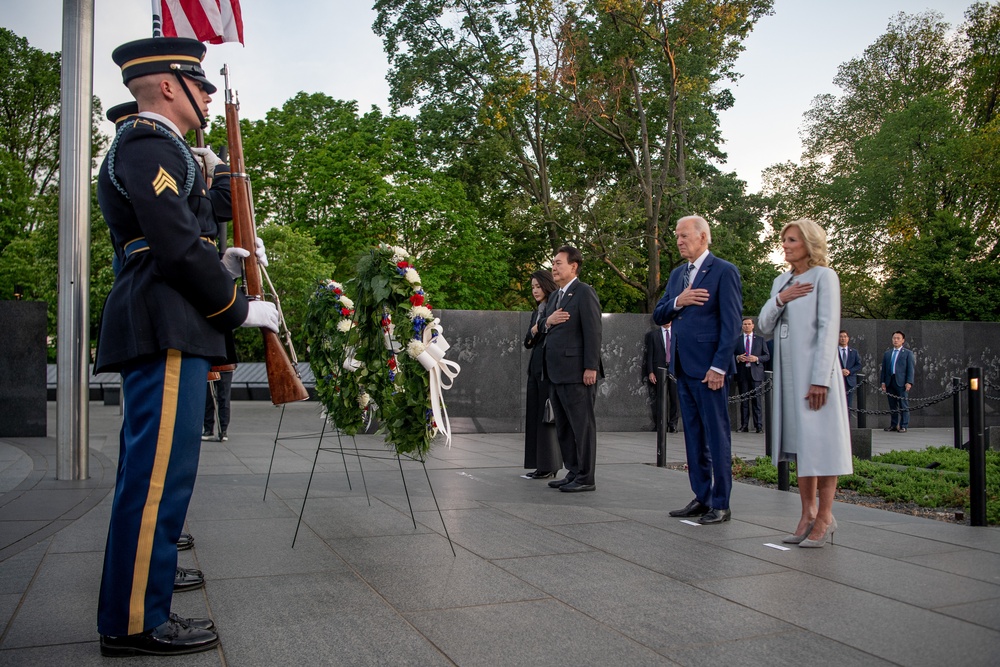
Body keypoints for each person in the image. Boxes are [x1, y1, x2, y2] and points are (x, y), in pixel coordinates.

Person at [95, 37, 280, 657]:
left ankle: (144, 589)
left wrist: (217, 259)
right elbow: (173, 245)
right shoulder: (148, 142)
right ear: (170, 86)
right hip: (165, 320)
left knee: (159, 475)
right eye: (197, 85)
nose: (205, 95)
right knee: (155, 481)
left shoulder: (158, 146)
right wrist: (235, 304)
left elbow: (179, 239)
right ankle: (134, 621)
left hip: (167, 317)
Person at [757, 218, 853, 548]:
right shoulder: (780, 281)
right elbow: (764, 327)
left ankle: (825, 516)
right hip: (789, 376)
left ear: (809, 244)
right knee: (801, 446)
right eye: (784, 239)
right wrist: (782, 298)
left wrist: (821, 380)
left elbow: (829, 329)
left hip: (816, 377)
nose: (785, 245)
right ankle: (807, 514)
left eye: (792, 240)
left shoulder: (825, 277)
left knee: (822, 446)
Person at [654, 215, 743, 524]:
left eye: (684, 236)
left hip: (710, 371)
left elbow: (732, 326)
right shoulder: (678, 274)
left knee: (716, 436)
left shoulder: (724, 271)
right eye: (677, 236)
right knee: (692, 436)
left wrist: (719, 366)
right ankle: (702, 496)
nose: (678, 240)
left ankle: (721, 503)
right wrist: (680, 299)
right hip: (682, 366)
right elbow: (659, 313)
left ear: (703, 237)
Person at [542, 246, 603, 493]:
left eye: (558, 263)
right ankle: (574, 471)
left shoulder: (584, 292)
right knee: (565, 427)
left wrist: (590, 367)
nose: (554, 268)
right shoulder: (556, 296)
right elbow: (546, 329)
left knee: (582, 426)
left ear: (573, 266)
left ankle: (587, 477)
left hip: (578, 373)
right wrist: (547, 322)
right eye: (553, 263)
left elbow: (593, 331)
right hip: (556, 373)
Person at [522, 270, 563, 479]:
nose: (535, 291)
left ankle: (549, 465)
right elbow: (527, 341)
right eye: (532, 287)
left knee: (548, 418)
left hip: (549, 371)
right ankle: (539, 463)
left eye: (538, 286)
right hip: (535, 370)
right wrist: (537, 328)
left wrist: (541, 327)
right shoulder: (537, 312)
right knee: (535, 416)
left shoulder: (556, 308)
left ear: (547, 285)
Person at [734, 317, 769, 433]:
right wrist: (738, 358)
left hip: (756, 373)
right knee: (744, 400)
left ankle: (758, 425)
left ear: (753, 326)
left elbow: (767, 356)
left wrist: (757, 358)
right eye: (744, 324)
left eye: (749, 324)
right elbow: (731, 355)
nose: (747, 326)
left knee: (757, 401)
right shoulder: (737, 340)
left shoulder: (760, 340)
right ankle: (744, 425)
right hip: (742, 372)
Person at [643, 321, 678, 433]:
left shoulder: (677, 333)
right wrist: (650, 372)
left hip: (674, 370)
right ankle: (660, 424)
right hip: (659, 370)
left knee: (674, 399)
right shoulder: (653, 335)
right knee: (659, 399)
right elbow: (649, 355)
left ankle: (673, 424)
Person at [880, 331, 915, 433]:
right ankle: (894, 425)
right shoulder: (887, 353)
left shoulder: (908, 353)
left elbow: (910, 369)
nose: (895, 340)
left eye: (898, 338)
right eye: (894, 338)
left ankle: (904, 425)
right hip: (890, 382)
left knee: (903, 404)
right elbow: (884, 370)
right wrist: (883, 382)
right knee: (892, 405)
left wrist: (909, 382)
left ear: (903, 340)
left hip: (902, 382)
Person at [202, 370, 233, 441]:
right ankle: (208, 430)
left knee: (224, 399)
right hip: (210, 366)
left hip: (225, 366)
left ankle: (223, 430)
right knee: (208, 399)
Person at [839, 330, 862, 411]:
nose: (843, 338)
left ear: (848, 338)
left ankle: (847, 423)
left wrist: (849, 371)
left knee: (848, 405)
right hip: (838, 380)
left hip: (850, 381)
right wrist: (840, 371)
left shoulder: (854, 352)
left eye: (845, 336)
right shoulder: (834, 352)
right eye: (841, 337)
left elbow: (858, 365)